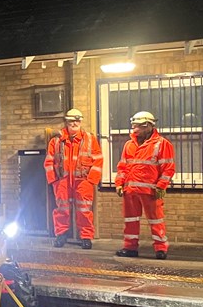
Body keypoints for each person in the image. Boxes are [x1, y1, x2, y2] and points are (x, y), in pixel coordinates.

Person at [114, 110, 176, 259]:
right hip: (130, 190)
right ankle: (130, 248)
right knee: (130, 220)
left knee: (156, 220)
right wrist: (119, 183)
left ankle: (161, 249)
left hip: (151, 191)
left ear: (148, 126)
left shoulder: (162, 144)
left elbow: (168, 168)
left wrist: (161, 186)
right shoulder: (129, 145)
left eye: (138, 126)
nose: (135, 129)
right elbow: (122, 166)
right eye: (134, 126)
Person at [43, 108, 103, 249]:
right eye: (71, 121)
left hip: (83, 181)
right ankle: (61, 235)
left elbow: (98, 160)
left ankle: (86, 237)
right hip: (62, 181)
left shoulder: (90, 139)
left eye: (77, 120)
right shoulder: (56, 141)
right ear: (66, 122)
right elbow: (49, 161)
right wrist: (53, 181)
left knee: (84, 210)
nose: (74, 123)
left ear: (81, 121)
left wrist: (91, 180)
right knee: (62, 209)